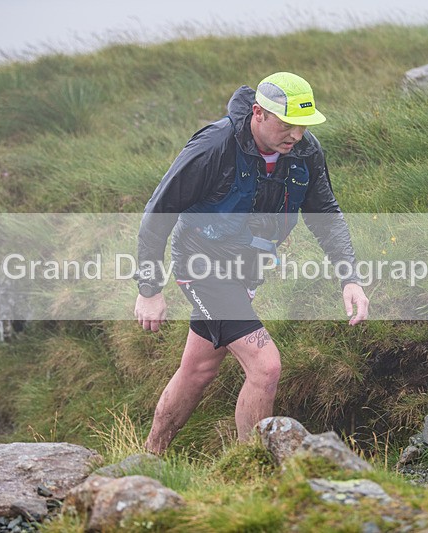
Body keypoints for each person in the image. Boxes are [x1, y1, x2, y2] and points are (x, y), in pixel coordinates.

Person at [134, 72, 369, 454]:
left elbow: (325, 213)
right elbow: (158, 211)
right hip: (202, 265)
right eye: (287, 124)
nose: (296, 134)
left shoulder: (306, 152)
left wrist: (350, 278)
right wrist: (149, 288)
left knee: (198, 370)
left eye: (303, 126)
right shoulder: (215, 146)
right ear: (258, 113)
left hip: (246, 272)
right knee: (266, 366)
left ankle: (149, 456)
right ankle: (252, 467)